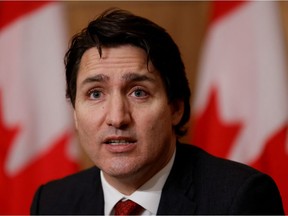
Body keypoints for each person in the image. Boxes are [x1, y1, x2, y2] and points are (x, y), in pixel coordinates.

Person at [30, 8, 284, 215]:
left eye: (138, 92)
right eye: (96, 93)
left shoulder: (240, 199)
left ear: (175, 107)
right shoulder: (52, 203)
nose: (117, 118)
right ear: (74, 112)